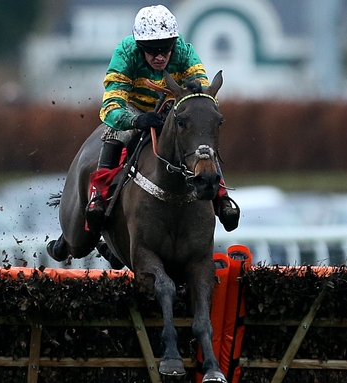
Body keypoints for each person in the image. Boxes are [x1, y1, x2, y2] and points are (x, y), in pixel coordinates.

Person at [85, 4, 240, 233]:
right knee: (116, 131)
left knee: (198, 129)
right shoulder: (125, 52)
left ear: (173, 45)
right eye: (152, 50)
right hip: (134, 109)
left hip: (172, 109)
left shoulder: (184, 52)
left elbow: (203, 98)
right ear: (140, 47)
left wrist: (194, 100)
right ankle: (98, 197)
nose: (159, 57)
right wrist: (135, 121)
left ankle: (222, 197)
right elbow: (111, 106)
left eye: (165, 50)